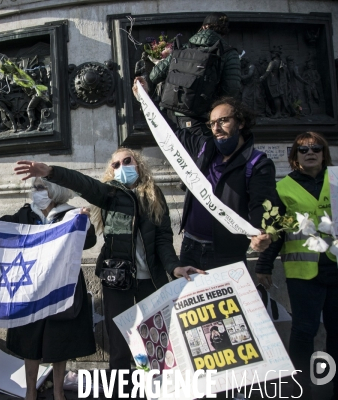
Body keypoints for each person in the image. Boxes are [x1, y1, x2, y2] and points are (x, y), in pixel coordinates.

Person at [13, 149, 203, 398]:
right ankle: (120, 393)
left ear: (138, 164)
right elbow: (84, 184)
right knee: (120, 346)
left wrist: (174, 267)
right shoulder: (110, 193)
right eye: (115, 164)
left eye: (127, 161)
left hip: (151, 280)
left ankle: (158, 391)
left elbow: (164, 239)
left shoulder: (153, 195)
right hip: (118, 281)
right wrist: (50, 172)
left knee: (155, 341)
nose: (122, 166)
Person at [0, 178, 97, 400]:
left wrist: (86, 224)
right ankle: (30, 390)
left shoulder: (70, 214)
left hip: (62, 283)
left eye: (41, 188)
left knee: (59, 338)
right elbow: (0, 226)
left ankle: (59, 392)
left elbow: (88, 243)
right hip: (30, 285)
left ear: (55, 191)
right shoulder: (25, 214)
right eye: (35, 188)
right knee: (30, 337)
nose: (36, 192)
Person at [135, 78, 276, 269]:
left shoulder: (258, 164)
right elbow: (168, 131)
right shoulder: (203, 147)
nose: (216, 129)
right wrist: (146, 98)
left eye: (223, 121)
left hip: (226, 253)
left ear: (241, 122)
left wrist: (260, 231)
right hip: (190, 248)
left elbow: (262, 203)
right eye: (212, 123)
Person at [256, 132, 337, 399]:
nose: (310, 152)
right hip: (304, 274)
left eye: (316, 148)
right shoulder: (283, 189)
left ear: (324, 153)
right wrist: (265, 266)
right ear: (294, 157)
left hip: (336, 269)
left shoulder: (336, 182)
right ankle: (301, 387)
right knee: (304, 331)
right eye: (303, 150)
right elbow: (275, 232)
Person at [145, 12, 241, 130]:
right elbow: (232, 90)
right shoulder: (229, 53)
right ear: (225, 31)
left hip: (172, 117)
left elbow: (154, 76)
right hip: (203, 119)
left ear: (204, 26)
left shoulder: (184, 48)